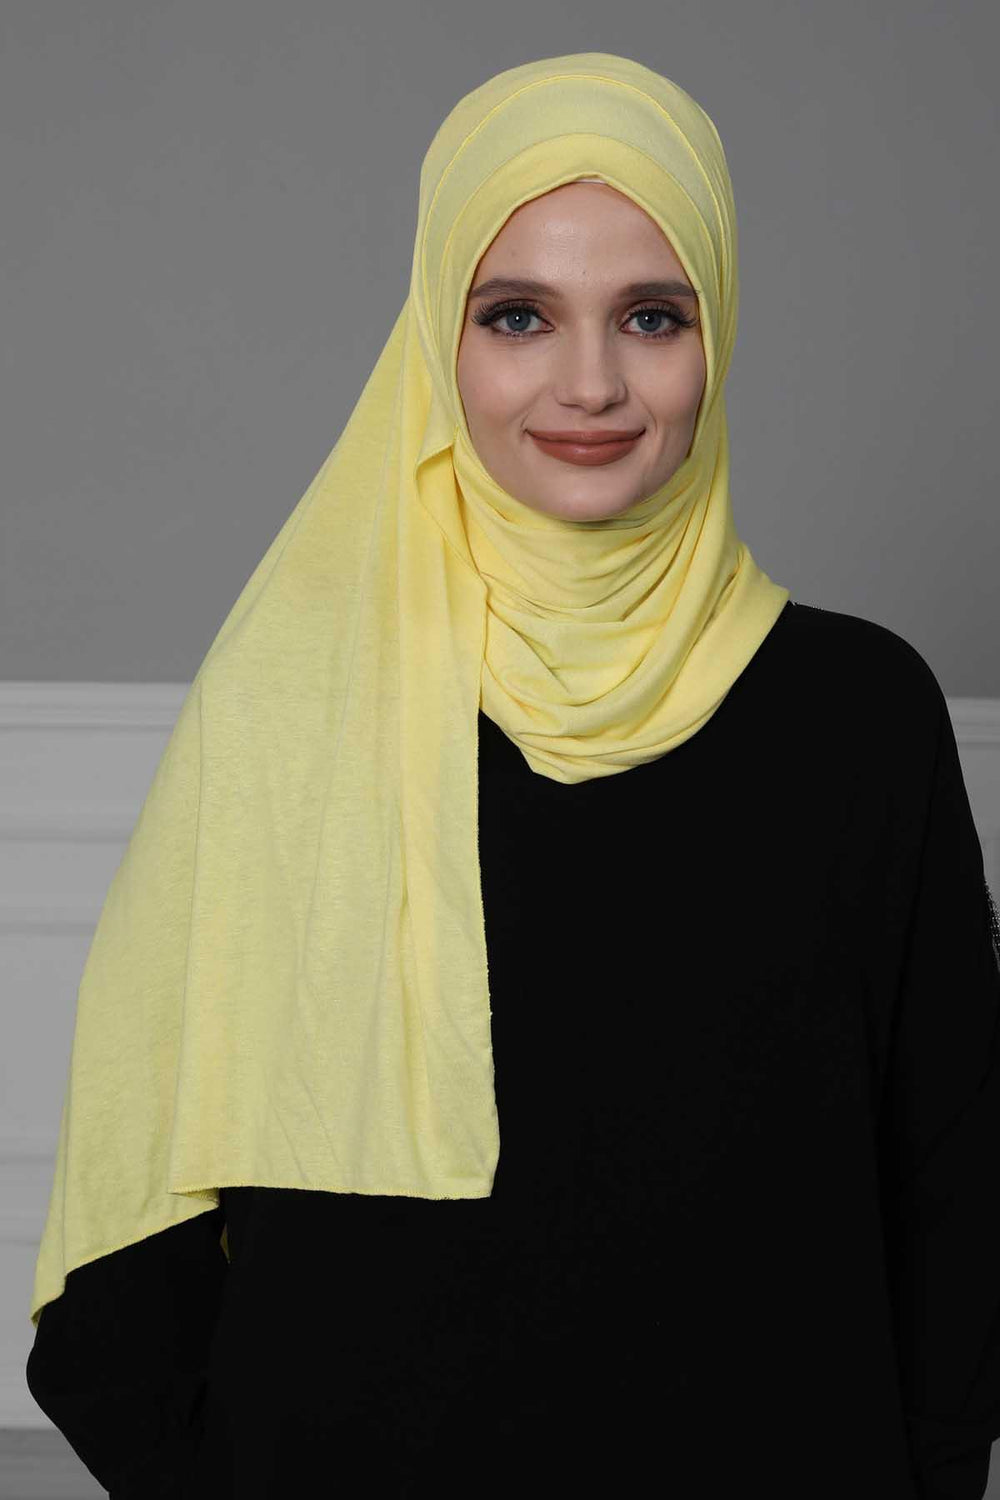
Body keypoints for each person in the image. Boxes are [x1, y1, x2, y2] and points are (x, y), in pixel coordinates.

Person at [24, 51, 1000, 1500]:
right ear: (440, 338)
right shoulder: (294, 700)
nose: (590, 383)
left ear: (719, 332)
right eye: (519, 315)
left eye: (652, 316)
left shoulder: (863, 714)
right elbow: (132, 1237)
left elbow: (954, 1199)